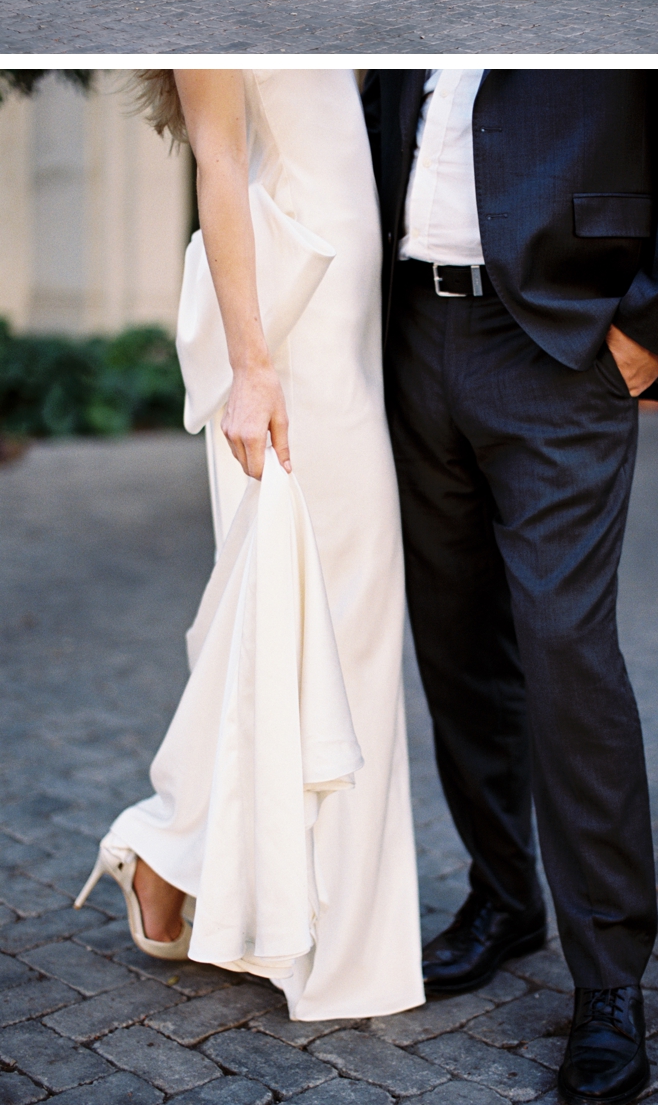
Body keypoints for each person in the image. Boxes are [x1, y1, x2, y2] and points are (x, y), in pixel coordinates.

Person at [361, 69, 658, 1105]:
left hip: (558, 337)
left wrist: (652, 325)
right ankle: (504, 898)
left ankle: (607, 978)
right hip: (410, 322)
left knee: (564, 649)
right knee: (452, 640)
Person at [73, 69, 422, 1020]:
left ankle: (192, 863)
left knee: (307, 627)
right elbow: (218, 165)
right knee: (332, 633)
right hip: (292, 336)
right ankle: (329, 942)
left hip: (336, 323)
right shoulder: (211, 16)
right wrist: (253, 368)